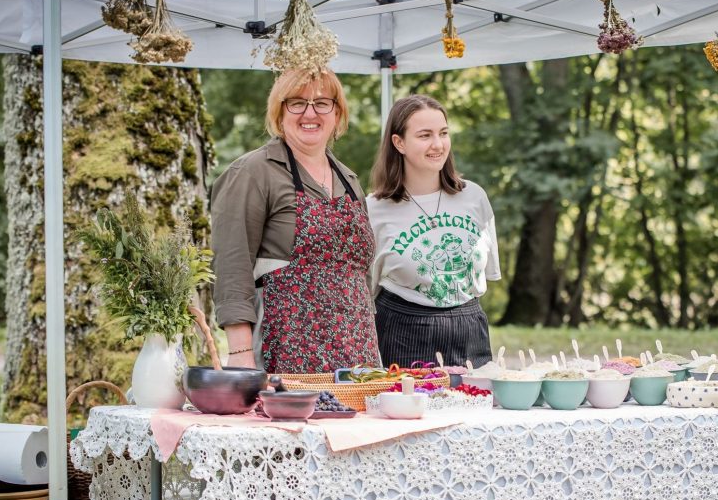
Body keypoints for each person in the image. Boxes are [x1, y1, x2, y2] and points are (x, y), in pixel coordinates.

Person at [210, 68, 379, 372]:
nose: (309, 113)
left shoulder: (349, 179)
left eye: (322, 103)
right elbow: (232, 267)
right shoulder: (253, 172)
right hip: (286, 348)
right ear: (279, 111)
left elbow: (361, 276)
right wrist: (241, 353)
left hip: (357, 355)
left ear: (337, 112)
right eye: (297, 103)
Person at [367, 95, 500, 368]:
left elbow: (484, 274)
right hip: (403, 332)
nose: (438, 144)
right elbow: (365, 292)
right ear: (399, 143)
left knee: (476, 397)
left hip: (470, 329)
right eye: (425, 135)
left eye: (443, 133)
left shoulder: (475, 197)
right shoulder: (373, 209)